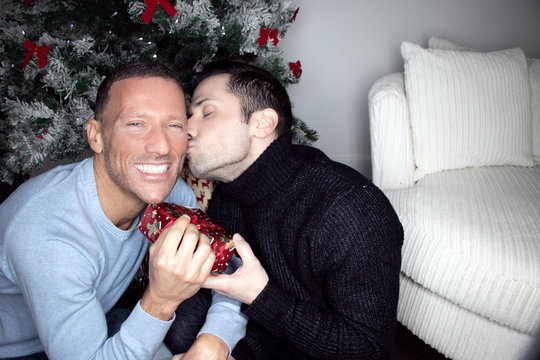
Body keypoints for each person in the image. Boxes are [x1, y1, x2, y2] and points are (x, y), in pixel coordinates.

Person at [0, 60, 246, 360]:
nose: (161, 147)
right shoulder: (48, 233)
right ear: (96, 136)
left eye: (174, 125)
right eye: (135, 124)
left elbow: (230, 269)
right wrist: (160, 301)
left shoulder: (169, 193)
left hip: (103, 322)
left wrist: (215, 340)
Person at [171, 60, 404, 359]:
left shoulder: (350, 211)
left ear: (262, 123)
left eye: (207, 112)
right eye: (190, 115)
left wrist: (261, 296)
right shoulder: (227, 195)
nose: (186, 128)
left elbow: (367, 350)